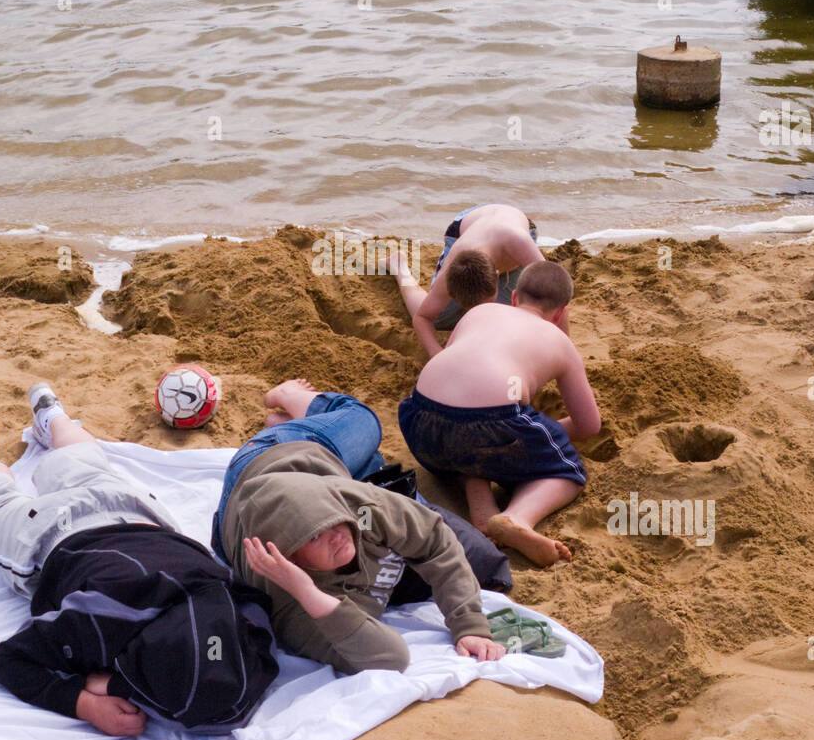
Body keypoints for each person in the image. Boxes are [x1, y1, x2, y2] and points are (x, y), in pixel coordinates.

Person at [0, 384, 278, 737]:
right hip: (51, 532)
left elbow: (249, 630)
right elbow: (8, 662)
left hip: (135, 511)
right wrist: (85, 701)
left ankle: (52, 414)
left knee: (83, 460)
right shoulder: (98, 622)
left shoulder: (233, 602)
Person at [214, 380, 506, 674]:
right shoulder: (294, 608)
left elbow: (434, 538)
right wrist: (308, 593)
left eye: (334, 521)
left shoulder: (359, 510)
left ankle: (289, 398)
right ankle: (291, 423)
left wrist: (469, 624)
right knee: (371, 458)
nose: (337, 535)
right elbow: (391, 658)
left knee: (363, 417)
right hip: (253, 482)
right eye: (315, 536)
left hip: (291, 452)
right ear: (291, 559)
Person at [398, 261, 601, 567]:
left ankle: (477, 489)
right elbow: (588, 424)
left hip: (420, 420)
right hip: (490, 420)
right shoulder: (560, 340)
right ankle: (516, 517)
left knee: (467, 442)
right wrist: (534, 439)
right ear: (560, 313)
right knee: (569, 471)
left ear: (515, 296)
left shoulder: (479, 312)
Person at [391, 203, 556, 357]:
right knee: (440, 320)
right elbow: (422, 317)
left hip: (513, 228)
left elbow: (556, 292)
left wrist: (560, 348)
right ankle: (400, 267)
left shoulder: (519, 242)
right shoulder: (454, 265)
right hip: (467, 225)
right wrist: (439, 356)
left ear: (497, 275)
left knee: (504, 322)